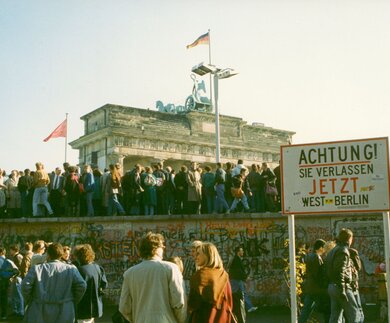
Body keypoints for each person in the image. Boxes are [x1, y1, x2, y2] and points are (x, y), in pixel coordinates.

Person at [119, 232, 186, 323]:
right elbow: (179, 302)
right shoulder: (171, 269)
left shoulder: (129, 273)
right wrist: (180, 320)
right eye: (162, 246)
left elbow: (124, 307)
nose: (164, 249)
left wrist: (135, 319)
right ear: (156, 249)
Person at [21, 243, 87, 323]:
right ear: (61, 255)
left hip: (39, 309)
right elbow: (82, 285)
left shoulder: (37, 268)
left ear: (48, 254)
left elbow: (25, 285)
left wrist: (30, 300)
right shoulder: (71, 269)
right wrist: (73, 299)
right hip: (65, 309)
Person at [188, 242, 234, 323]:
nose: (195, 257)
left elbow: (192, 304)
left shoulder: (199, 276)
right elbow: (229, 302)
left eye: (198, 254)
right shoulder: (224, 274)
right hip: (222, 318)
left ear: (207, 256)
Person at [326, 228, 364, 323]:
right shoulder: (343, 250)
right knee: (355, 315)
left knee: (335, 316)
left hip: (332, 286)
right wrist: (342, 289)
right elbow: (340, 271)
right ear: (349, 238)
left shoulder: (333, 251)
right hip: (342, 287)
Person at [74, 244, 107, 323]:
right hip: (95, 307)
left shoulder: (78, 270)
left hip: (82, 308)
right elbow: (104, 284)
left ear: (78, 256)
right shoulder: (98, 268)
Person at [298, 239, 327, 323]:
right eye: (324, 248)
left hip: (310, 284)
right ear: (321, 247)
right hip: (316, 285)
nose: (324, 251)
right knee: (309, 306)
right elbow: (318, 273)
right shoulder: (316, 257)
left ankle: (303, 320)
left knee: (308, 306)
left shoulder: (309, 256)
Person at [229, 246, 257, 313]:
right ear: (238, 252)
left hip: (236, 279)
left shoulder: (237, 259)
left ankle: (250, 307)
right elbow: (239, 271)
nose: (243, 252)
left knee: (239, 293)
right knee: (239, 293)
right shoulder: (237, 260)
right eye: (241, 251)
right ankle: (249, 307)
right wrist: (245, 277)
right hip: (236, 280)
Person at [8, 245, 24, 318]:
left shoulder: (18, 257)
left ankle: (20, 311)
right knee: (15, 294)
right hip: (16, 277)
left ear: (14, 250)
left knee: (18, 294)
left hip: (17, 278)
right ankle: (16, 311)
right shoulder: (17, 256)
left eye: (11, 250)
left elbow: (19, 269)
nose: (10, 251)